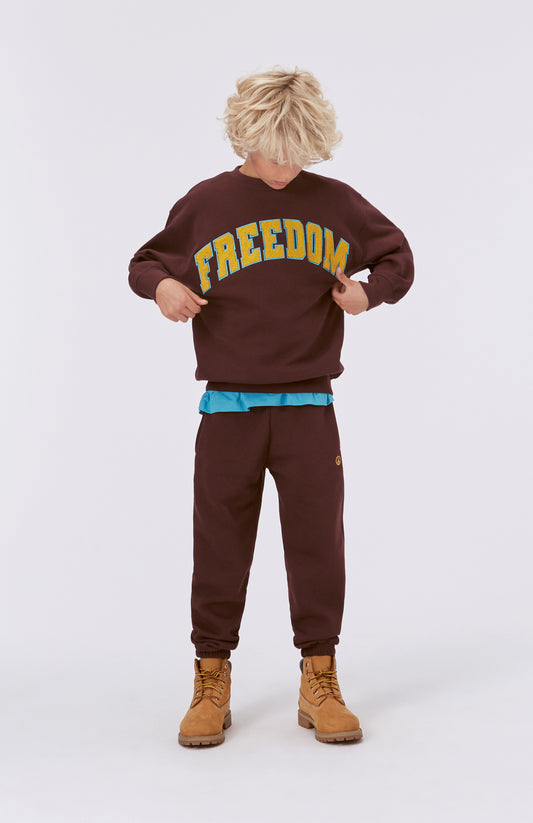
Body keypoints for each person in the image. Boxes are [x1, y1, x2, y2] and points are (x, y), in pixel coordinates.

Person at [128, 66, 414, 747]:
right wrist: (164, 288)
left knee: (316, 543)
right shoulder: (207, 202)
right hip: (227, 409)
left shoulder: (336, 202)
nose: (285, 167)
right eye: (273, 152)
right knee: (219, 544)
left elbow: (397, 257)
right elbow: (145, 262)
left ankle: (320, 677)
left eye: (299, 153)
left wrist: (367, 294)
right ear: (245, 136)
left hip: (309, 406)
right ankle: (210, 676)